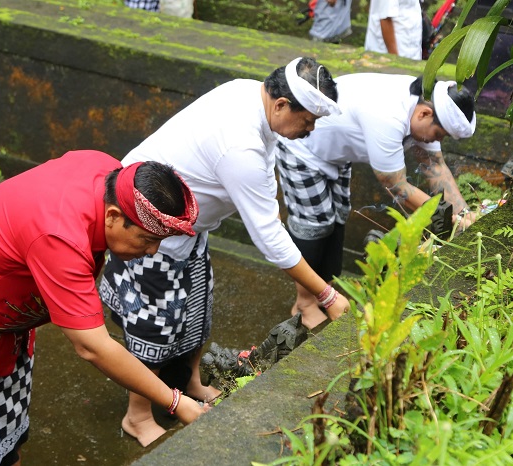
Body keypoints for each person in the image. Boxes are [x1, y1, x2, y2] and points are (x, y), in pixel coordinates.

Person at [99, 56, 351, 446]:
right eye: (308, 120)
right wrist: (326, 294)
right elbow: (268, 235)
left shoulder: (248, 95)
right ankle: (137, 415)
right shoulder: (240, 142)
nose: (310, 129)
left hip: (188, 227)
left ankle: (192, 384)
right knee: (156, 325)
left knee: (197, 312)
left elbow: (265, 193)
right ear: (282, 105)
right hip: (146, 224)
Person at [0, 150, 207, 466]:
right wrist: (175, 401)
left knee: (6, 434)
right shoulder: (59, 234)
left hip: (9, 321)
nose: (151, 251)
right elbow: (94, 347)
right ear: (114, 216)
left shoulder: (107, 173)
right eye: (146, 239)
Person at [275, 73, 477, 327]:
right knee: (314, 224)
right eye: (439, 134)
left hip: (334, 153)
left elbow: (434, 165)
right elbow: (397, 186)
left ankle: (321, 292)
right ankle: (303, 305)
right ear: (425, 115)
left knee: (336, 218)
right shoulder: (387, 116)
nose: (437, 141)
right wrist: (453, 220)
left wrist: (466, 213)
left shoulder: (424, 106)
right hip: (302, 149)